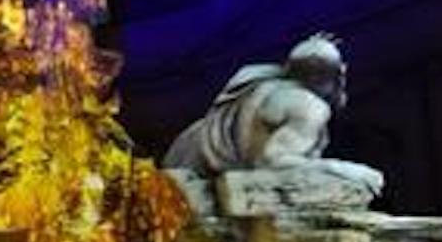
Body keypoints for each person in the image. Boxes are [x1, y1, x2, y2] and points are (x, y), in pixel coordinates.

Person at [163, 32, 382, 193]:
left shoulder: (263, 84)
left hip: (185, 150)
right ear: (337, 75)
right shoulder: (309, 107)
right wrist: (344, 169)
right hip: (197, 170)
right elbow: (273, 161)